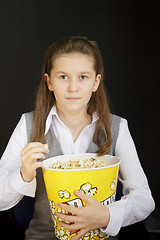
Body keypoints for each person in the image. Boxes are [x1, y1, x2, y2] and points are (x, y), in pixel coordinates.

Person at [0, 36, 155, 240]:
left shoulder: (117, 127)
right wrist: (23, 174)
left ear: (95, 82)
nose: (73, 88)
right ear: (49, 82)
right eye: (63, 77)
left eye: (83, 77)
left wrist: (107, 215)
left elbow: (144, 199)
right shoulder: (29, 125)